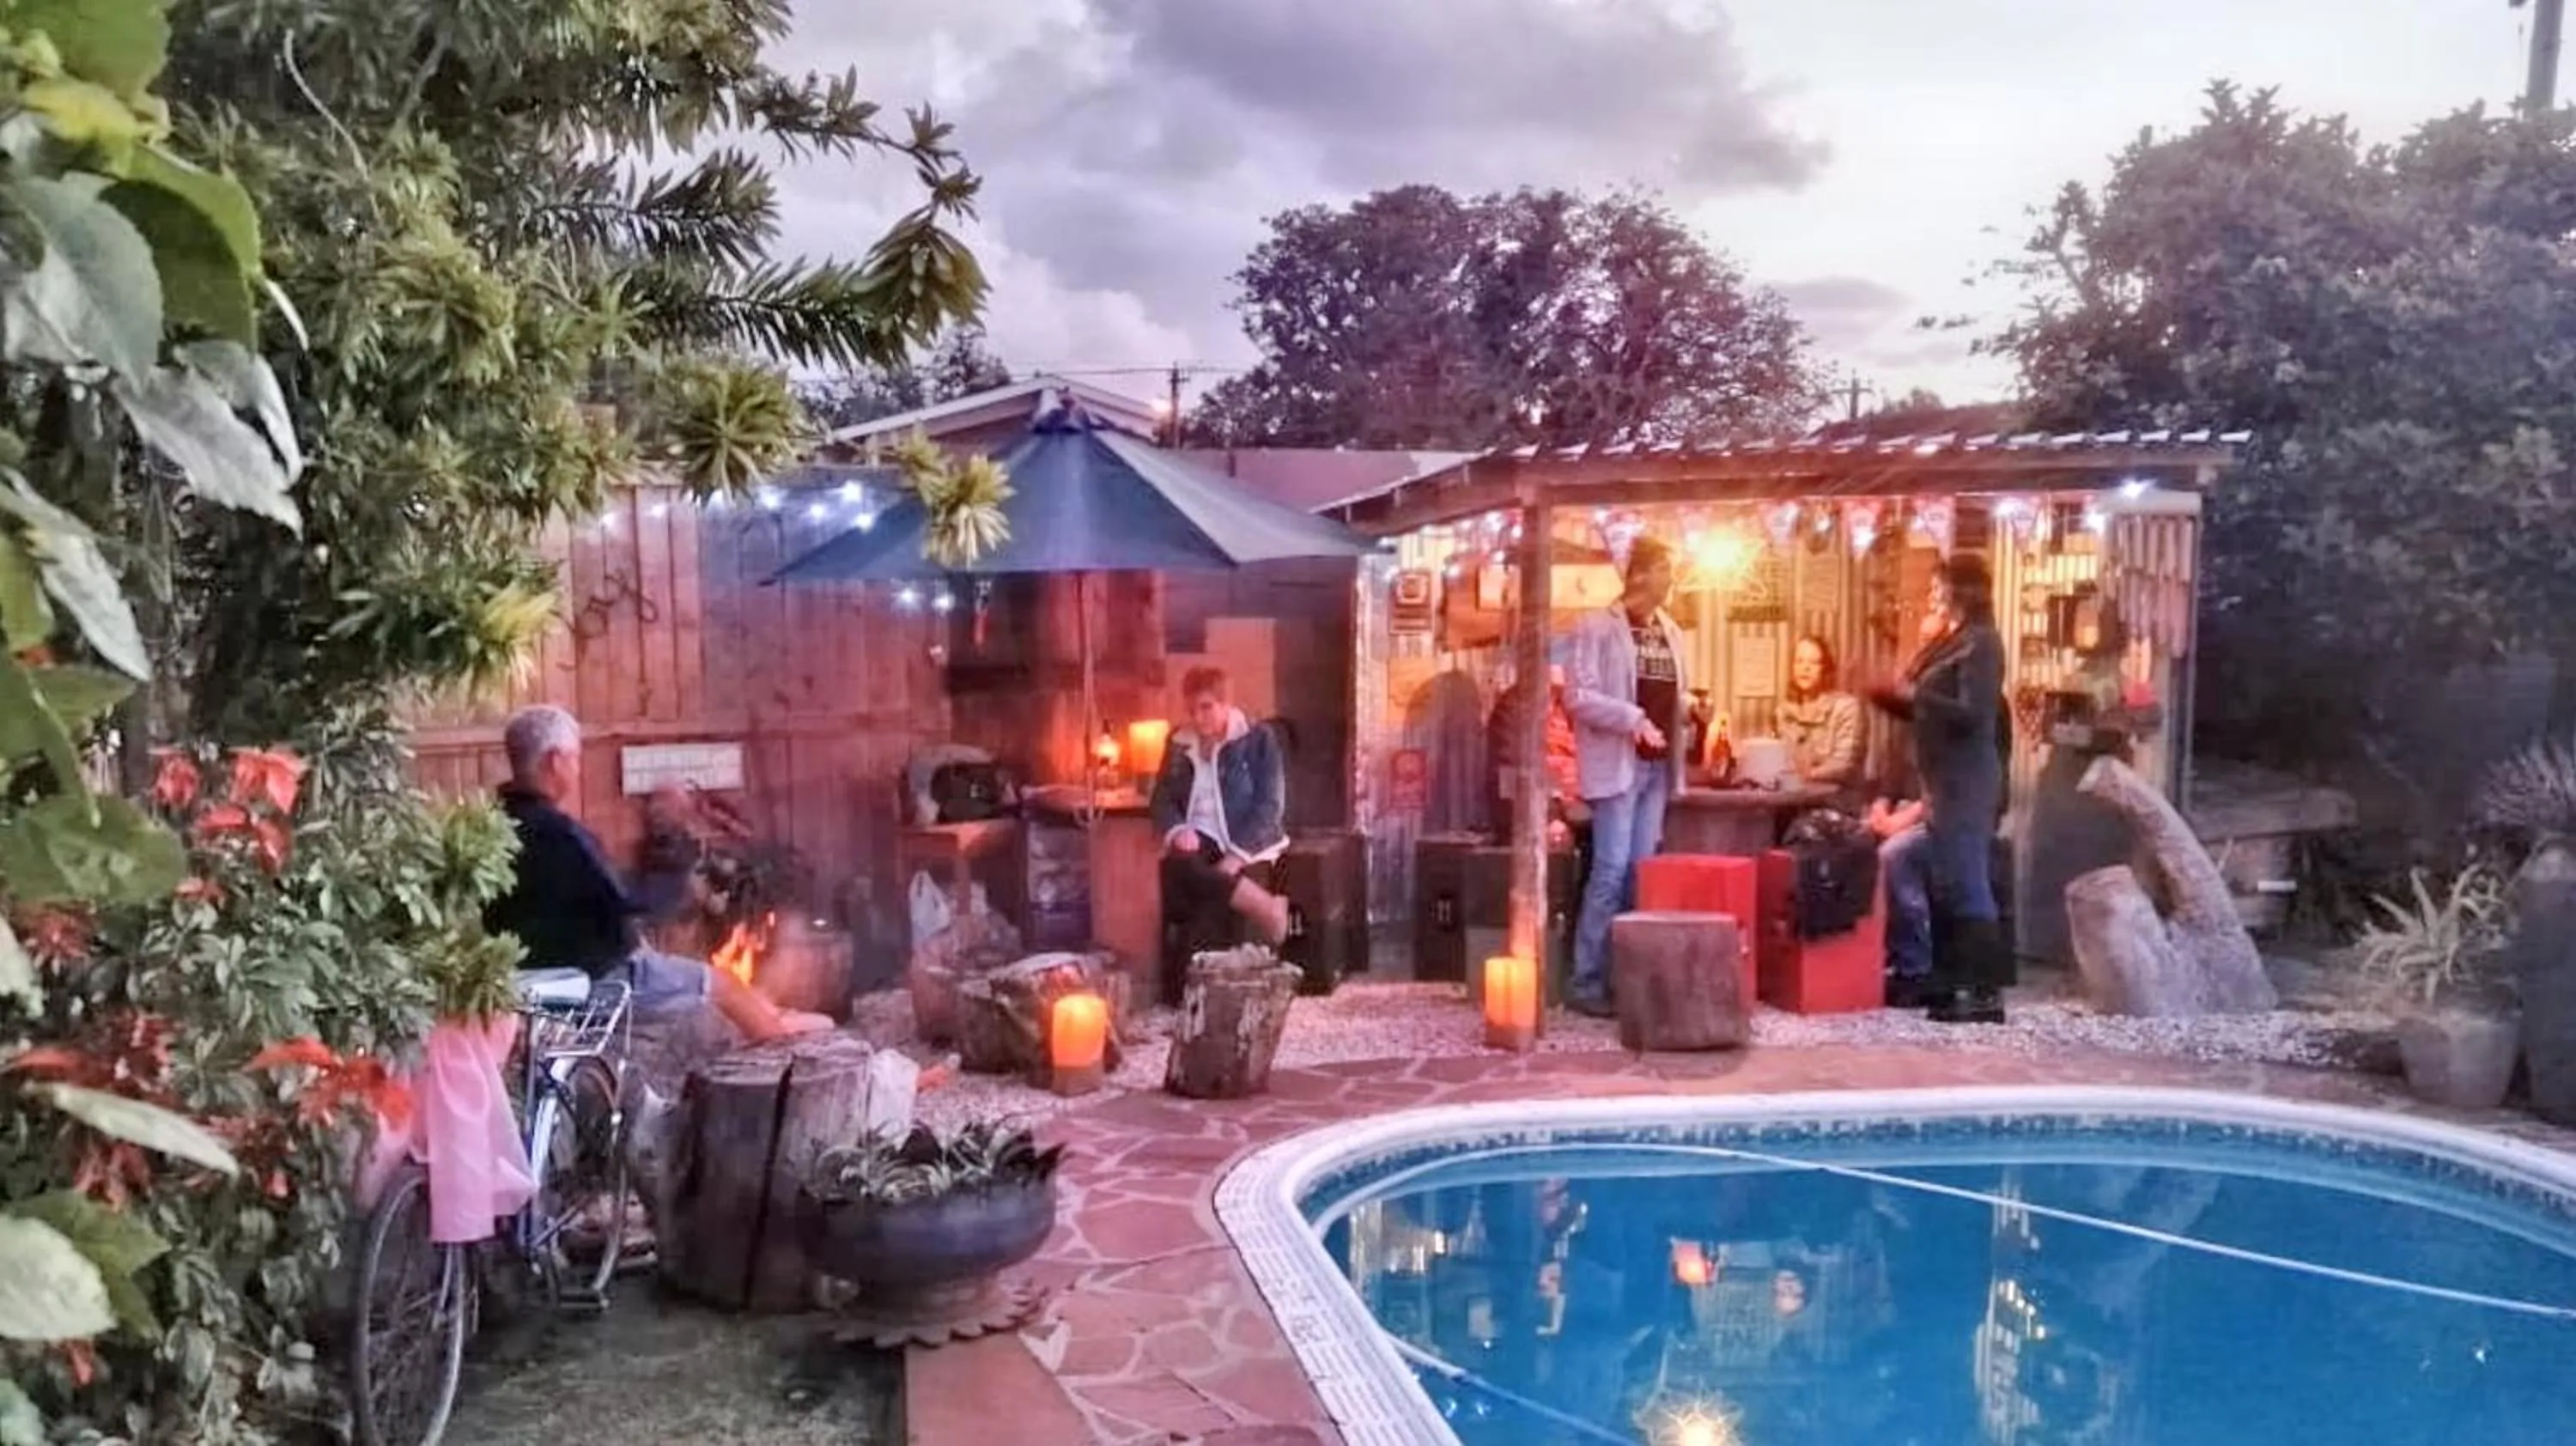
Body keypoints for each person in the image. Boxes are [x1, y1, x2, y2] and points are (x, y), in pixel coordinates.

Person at [483, 705, 830, 1042]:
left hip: (537, 976)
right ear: (555, 762)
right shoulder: (559, 834)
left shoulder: (492, 829)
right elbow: (637, 902)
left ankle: (772, 1013)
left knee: (674, 963)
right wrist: (673, 839)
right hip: (602, 979)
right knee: (723, 984)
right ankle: (778, 1034)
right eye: (575, 759)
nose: (577, 769)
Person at [1865, 553, 2009, 1024]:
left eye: (1938, 588)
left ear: (1961, 591)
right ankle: (1937, 977)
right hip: (1942, 782)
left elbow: (1971, 714)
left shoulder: (1983, 644)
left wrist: (1916, 695)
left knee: (1967, 882)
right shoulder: (1955, 642)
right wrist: (1887, 695)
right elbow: (1927, 710)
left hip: (1965, 782)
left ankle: (1983, 994)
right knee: (1913, 861)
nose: (1932, 597)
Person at [1563, 534, 1690, 1018]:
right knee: (1610, 870)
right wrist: (1633, 718)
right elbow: (1578, 696)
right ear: (1639, 574)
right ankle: (1586, 980)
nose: (1671, 578)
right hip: (1618, 764)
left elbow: (1673, 694)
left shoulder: (1672, 630)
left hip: (1656, 768)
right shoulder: (1596, 626)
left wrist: (1688, 713)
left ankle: (1628, 979)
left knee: (1640, 874)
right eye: (1664, 568)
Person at [1150, 666, 1291, 1000]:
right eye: (1192, 710)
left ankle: (1183, 993)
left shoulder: (1258, 739)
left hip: (1244, 839)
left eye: (1207, 707)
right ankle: (1266, 907)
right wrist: (1177, 829)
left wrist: (1235, 856)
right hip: (1197, 838)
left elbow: (1270, 806)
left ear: (1227, 704)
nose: (1198, 718)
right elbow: (1161, 797)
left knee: (1198, 889)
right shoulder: (1177, 742)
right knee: (1178, 866)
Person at [1778, 635, 1866, 795]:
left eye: (1813, 662)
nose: (1805, 668)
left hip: (1835, 803)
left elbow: (1844, 764)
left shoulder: (1846, 707)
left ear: (1825, 669)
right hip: (1792, 802)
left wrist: (1803, 776)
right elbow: (1780, 760)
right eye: (1799, 661)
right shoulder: (1784, 712)